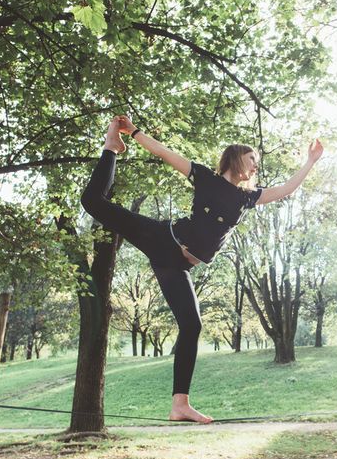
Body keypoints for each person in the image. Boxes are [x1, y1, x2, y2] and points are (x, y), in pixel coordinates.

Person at [81, 115, 324, 423]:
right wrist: (136, 132)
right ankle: (111, 147)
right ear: (235, 159)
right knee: (92, 201)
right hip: (163, 240)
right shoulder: (206, 178)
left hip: (177, 265)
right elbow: (164, 153)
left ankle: (179, 405)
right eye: (252, 160)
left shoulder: (246, 197)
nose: (255, 166)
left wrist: (310, 162)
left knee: (192, 326)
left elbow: (285, 189)